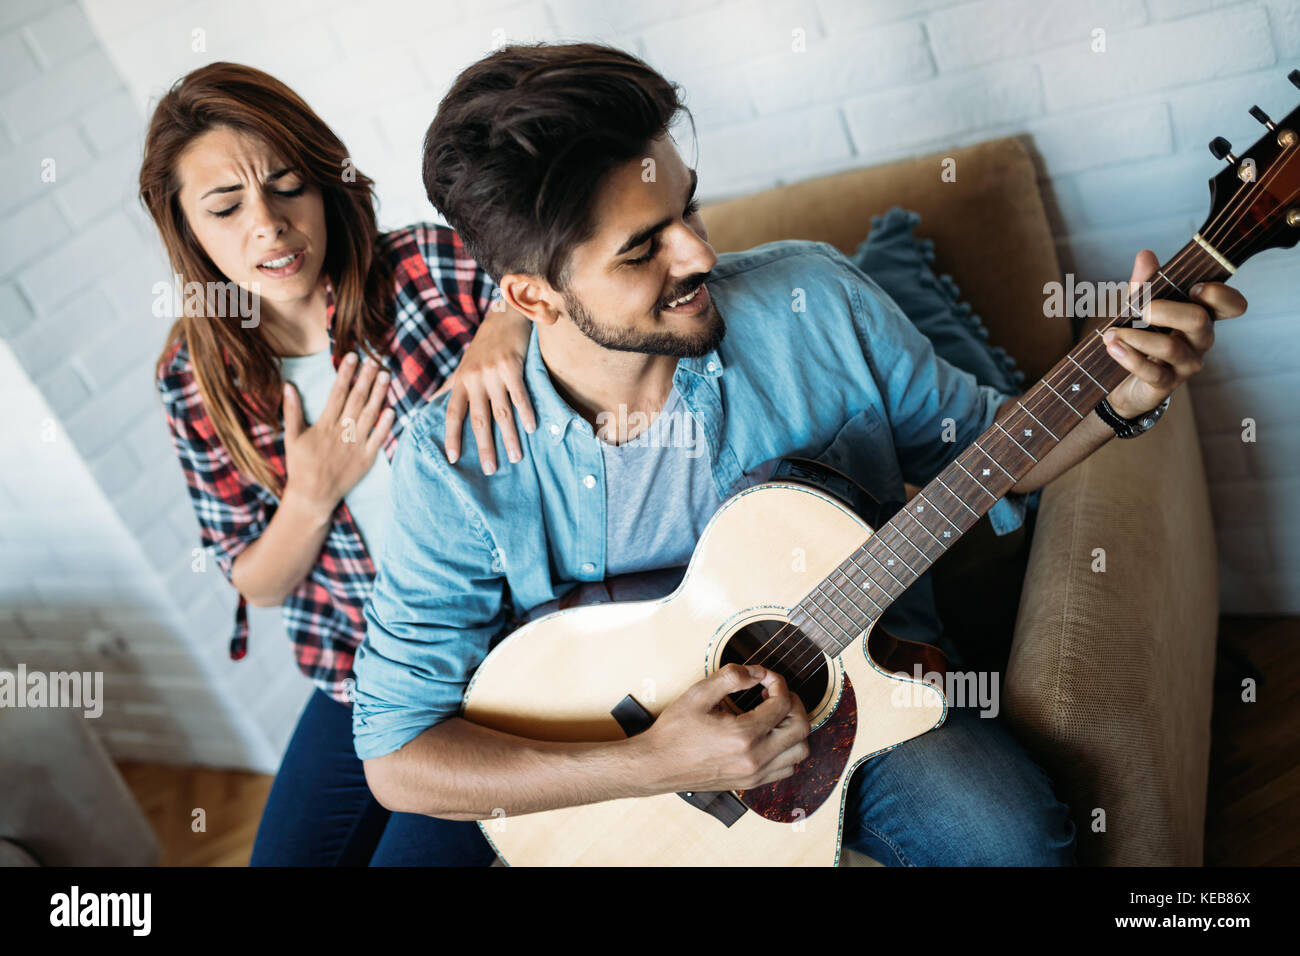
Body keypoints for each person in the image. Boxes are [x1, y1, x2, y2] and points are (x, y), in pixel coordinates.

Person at [353, 43, 1245, 865]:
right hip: (639, 781)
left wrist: (1121, 399)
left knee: (1007, 839)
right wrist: (651, 761)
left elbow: (983, 453)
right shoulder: (457, 461)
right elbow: (400, 757)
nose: (700, 252)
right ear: (528, 295)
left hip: (878, 694)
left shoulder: (812, 299)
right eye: (642, 248)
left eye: (687, 206)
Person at [141, 62, 534, 866]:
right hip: (367, 664)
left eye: (288, 186)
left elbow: (546, 268)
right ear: (186, 228)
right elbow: (255, 579)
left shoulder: (423, 269)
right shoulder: (192, 376)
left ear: (325, 184)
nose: (269, 225)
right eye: (225, 206)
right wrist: (311, 492)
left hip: (513, 648)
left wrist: (505, 325)